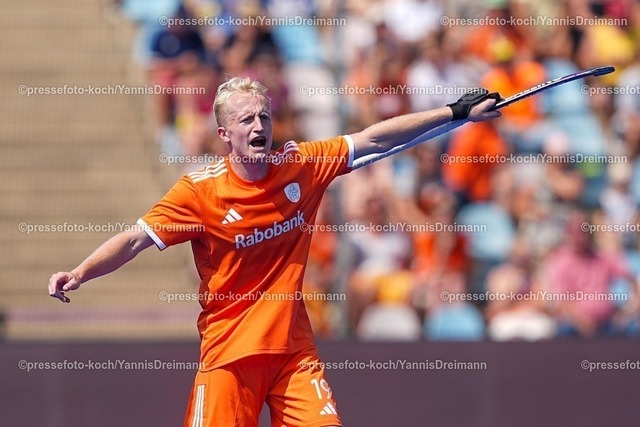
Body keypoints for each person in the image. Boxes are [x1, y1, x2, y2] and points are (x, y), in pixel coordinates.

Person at [47, 77, 500, 427]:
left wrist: (456, 111)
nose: (259, 126)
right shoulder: (199, 192)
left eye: (264, 117)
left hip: (292, 353)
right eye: (246, 120)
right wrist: (80, 272)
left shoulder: (300, 164)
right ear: (225, 133)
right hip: (229, 355)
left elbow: (374, 140)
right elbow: (134, 239)